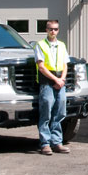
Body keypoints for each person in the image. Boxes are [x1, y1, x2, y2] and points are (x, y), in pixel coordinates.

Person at [34, 19, 70, 156]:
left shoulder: (61, 45)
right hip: (47, 84)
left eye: (55, 29)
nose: (53, 32)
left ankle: (57, 142)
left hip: (60, 83)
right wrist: (55, 79)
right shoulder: (40, 45)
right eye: (50, 29)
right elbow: (41, 66)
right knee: (46, 113)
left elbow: (65, 64)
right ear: (46, 30)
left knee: (59, 113)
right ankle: (45, 144)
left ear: (58, 30)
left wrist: (61, 80)